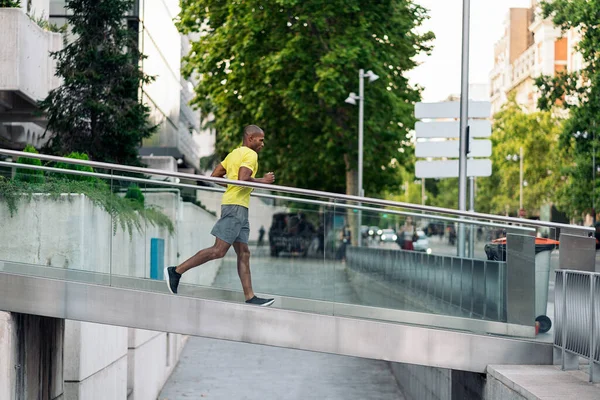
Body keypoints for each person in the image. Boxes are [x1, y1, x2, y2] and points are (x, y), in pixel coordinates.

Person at [164, 125, 276, 306]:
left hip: (238, 207)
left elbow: (215, 176)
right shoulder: (250, 155)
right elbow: (242, 179)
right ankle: (176, 271)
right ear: (250, 139)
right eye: (260, 140)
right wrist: (263, 180)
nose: (263, 144)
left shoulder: (234, 154)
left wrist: (233, 187)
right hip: (235, 208)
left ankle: (250, 297)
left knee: (244, 253)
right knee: (218, 250)